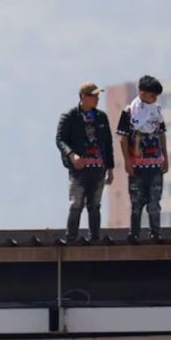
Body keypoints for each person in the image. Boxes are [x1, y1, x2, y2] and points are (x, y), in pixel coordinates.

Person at [56, 82, 115, 241]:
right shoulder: (69, 117)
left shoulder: (101, 117)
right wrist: (72, 155)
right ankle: (71, 237)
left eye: (98, 96)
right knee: (76, 204)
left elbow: (108, 143)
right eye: (93, 96)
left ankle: (94, 237)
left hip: (98, 168)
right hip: (79, 169)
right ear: (83, 97)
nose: (97, 99)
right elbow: (60, 140)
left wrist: (110, 168)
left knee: (95, 206)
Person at [117, 75, 168, 241]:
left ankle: (155, 233)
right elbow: (123, 138)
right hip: (137, 166)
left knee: (154, 204)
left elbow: (161, 134)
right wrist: (126, 161)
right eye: (152, 95)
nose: (154, 99)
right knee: (136, 204)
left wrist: (165, 157)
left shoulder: (157, 110)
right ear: (143, 93)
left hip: (155, 165)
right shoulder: (129, 112)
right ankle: (134, 234)